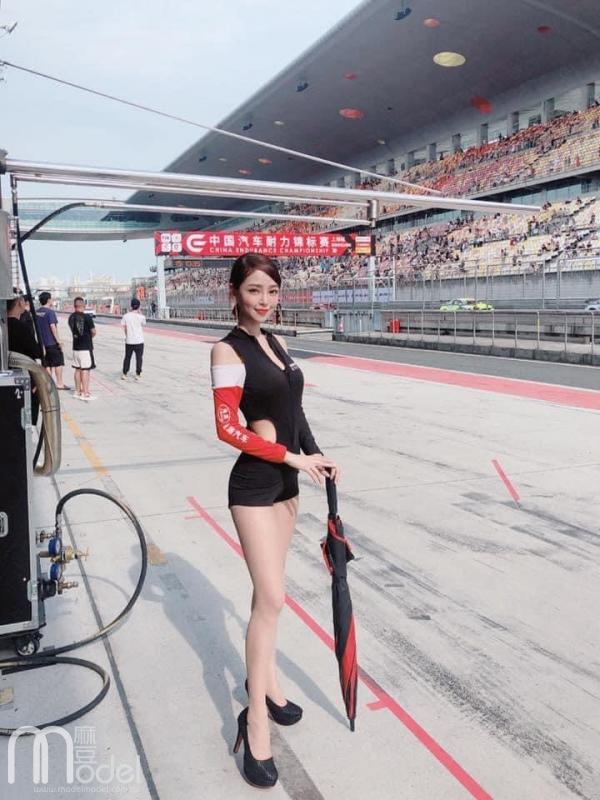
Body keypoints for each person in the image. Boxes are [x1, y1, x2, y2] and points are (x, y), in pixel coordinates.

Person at [210, 253, 339, 789]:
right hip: (255, 488)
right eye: (253, 290)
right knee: (273, 599)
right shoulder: (227, 349)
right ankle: (255, 722)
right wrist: (290, 457)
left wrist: (315, 455)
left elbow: (294, 412)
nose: (263, 301)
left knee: (268, 597)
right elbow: (226, 428)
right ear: (235, 293)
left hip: (289, 485)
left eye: (271, 291)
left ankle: (268, 683)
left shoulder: (276, 343)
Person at [7, 292, 42, 425]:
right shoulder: (21, 327)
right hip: (23, 378)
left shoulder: (4, 326)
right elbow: (37, 352)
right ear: (20, 303)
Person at [36, 291, 69, 390]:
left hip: (42, 343)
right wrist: (58, 341)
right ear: (48, 300)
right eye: (51, 299)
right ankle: (59, 383)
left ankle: (50, 384)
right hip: (52, 342)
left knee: (47, 364)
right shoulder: (50, 312)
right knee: (58, 363)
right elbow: (52, 326)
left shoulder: (37, 312)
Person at [67, 296, 96, 401]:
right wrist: (88, 337)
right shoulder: (87, 317)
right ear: (83, 305)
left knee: (77, 369)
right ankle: (86, 393)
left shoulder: (71, 317)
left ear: (74, 306)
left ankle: (77, 391)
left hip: (76, 347)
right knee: (85, 370)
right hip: (85, 347)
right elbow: (93, 332)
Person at [120, 298, 146, 381]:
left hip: (129, 340)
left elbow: (125, 328)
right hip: (139, 340)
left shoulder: (126, 316)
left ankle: (124, 373)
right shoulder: (141, 317)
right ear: (139, 306)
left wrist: (127, 335)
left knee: (127, 357)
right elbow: (144, 324)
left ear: (131, 306)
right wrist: (140, 312)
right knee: (139, 358)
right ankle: (138, 374)